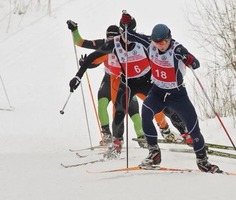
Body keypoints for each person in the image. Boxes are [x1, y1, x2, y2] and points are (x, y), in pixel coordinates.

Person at [68, 17, 189, 156]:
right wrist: (78, 76)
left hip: (146, 81)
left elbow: (170, 45)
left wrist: (184, 56)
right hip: (127, 83)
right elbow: (91, 57)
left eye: (130, 33)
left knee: (165, 108)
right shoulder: (113, 44)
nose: (126, 37)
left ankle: (185, 133)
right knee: (118, 115)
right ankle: (117, 143)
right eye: (123, 33)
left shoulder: (144, 41)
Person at [120, 13, 220, 173]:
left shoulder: (177, 49)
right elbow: (127, 35)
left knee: (193, 127)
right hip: (157, 92)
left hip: (177, 94)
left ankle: (202, 160)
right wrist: (126, 22)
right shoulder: (149, 44)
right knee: (145, 112)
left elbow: (195, 63)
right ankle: (154, 153)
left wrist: (188, 59)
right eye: (156, 42)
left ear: (169, 38)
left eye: (163, 42)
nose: (159, 45)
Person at [66, 20, 145, 147]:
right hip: (109, 80)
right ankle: (108, 135)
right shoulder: (104, 44)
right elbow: (80, 43)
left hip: (125, 80)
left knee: (132, 109)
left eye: (113, 38)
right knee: (102, 105)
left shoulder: (124, 44)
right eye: (108, 38)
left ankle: (141, 135)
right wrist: (74, 30)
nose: (111, 41)